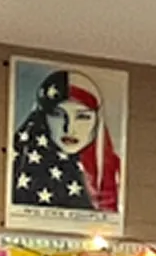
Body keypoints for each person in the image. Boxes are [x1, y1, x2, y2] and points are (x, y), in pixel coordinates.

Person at [10, 68, 121, 215]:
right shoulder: (20, 164)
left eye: (82, 117)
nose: (69, 128)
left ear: (97, 122)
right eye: (58, 115)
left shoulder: (113, 171)